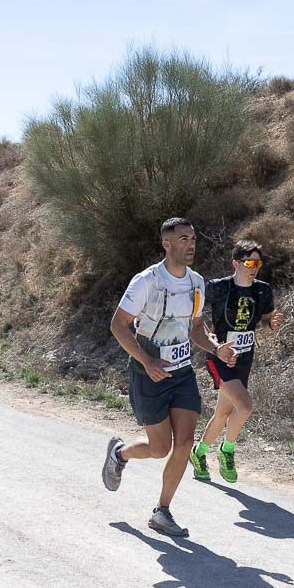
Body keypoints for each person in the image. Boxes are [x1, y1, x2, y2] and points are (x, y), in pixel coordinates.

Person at [102, 218, 236, 537]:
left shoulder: (196, 283)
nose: (190, 245)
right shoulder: (146, 282)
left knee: (186, 442)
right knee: (160, 447)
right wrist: (147, 361)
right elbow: (118, 325)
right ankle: (120, 454)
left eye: (193, 239)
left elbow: (195, 330)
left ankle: (162, 511)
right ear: (167, 244)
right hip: (149, 374)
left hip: (182, 372)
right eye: (183, 239)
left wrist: (216, 348)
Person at [190, 239, 285, 483]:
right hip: (220, 356)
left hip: (244, 357)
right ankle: (227, 450)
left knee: (223, 412)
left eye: (258, 262)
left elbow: (264, 320)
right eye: (249, 262)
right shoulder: (218, 288)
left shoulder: (263, 290)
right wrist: (213, 341)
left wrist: (271, 324)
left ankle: (199, 453)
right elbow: (196, 318)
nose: (254, 267)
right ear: (235, 262)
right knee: (244, 407)